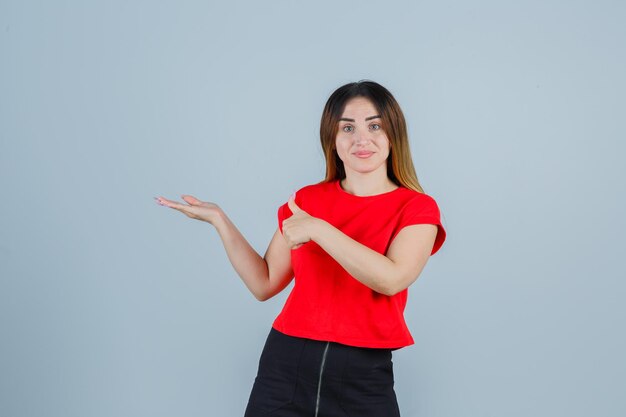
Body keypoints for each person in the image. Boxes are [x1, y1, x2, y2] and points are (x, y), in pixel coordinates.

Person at [155, 80, 446, 417]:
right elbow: (264, 283)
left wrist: (319, 229)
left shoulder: (417, 208)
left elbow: (391, 278)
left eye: (375, 125)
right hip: (285, 366)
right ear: (332, 140)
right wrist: (220, 220)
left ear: (393, 135)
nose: (361, 139)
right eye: (347, 127)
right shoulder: (307, 201)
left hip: (363, 375)